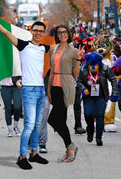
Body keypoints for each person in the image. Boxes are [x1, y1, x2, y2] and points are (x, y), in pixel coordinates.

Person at [0, 5, 49, 170]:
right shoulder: (23, 45)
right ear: (31, 31)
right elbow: (4, 31)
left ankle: (34, 153)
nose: (38, 33)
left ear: (44, 33)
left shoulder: (44, 48)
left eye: (41, 31)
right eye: (36, 30)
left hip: (40, 89)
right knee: (30, 124)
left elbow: (62, 48)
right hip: (29, 89)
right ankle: (22, 156)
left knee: (37, 124)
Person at [47, 25, 83, 163]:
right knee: (60, 120)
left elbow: (75, 74)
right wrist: (48, 90)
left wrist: (79, 60)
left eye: (64, 32)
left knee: (53, 119)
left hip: (66, 84)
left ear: (68, 34)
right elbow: (51, 70)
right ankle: (69, 149)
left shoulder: (73, 51)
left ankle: (70, 146)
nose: (62, 35)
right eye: (59, 33)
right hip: (54, 85)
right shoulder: (53, 49)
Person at [78, 51, 119, 146]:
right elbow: (79, 81)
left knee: (100, 116)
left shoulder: (105, 69)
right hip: (88, 97)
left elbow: (113, 79)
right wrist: (83, 89)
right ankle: (90, 130)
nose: (93, 68)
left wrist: (115, 93)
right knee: (88, 114)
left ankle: (99, 138)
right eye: (91, 65)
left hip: (101, 96)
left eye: (95, 65)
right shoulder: (83, 69)